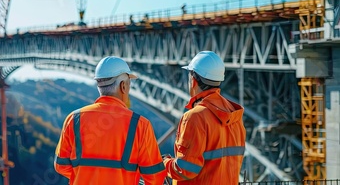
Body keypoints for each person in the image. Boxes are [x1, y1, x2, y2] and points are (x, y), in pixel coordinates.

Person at [54, 56, 167, 185]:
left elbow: (61, 166)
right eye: (129, 84)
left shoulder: (74, 119)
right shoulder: (140, 125)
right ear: (123, 86)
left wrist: (87, 175)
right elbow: (155, 178)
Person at [162, 51, 246, 185]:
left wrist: (164, 162)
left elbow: (185, 170)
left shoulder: (195, 117)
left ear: (193, 81)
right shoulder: (235, 117)